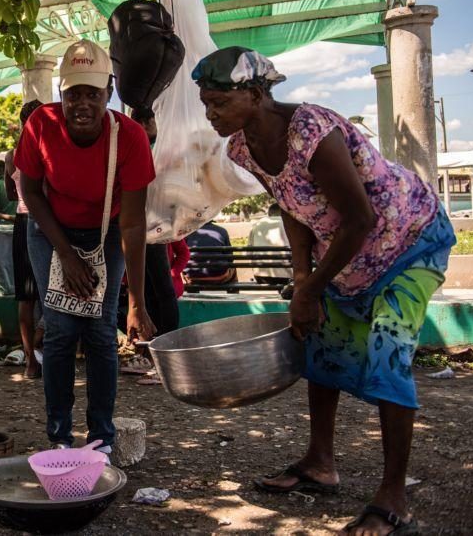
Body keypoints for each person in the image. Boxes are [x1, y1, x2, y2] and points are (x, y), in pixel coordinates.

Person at [195, 46, 455, 536]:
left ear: (254, 94)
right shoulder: (241, 148)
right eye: (206, 104)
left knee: (386, 355)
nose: (211, 114)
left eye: (219, 103)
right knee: (322, 347)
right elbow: (290, 205)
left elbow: (361, 218)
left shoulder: (313, 130)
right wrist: (301, 279)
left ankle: (394, 496)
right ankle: (320, 462)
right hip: (347, 256)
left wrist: (311, 288)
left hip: (407, 242)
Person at [15, 40, 157, 455]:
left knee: (98, 332)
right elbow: (31, 191)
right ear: (62, 92)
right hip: (49, 231)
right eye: (73, 93)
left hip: (106, 232)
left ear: (108, 92)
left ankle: (101, 440)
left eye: (92, 94)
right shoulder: (41, 124)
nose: (81, 104)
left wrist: (137, 302)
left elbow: (132, 223)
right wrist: (65, 252)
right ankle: (59, 437)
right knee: (59, 331)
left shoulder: (129, 137)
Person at [129, 106, 180, 337]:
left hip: (152, 224)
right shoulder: (151, 147)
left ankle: (164, 339)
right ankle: (153, 340)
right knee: (150, 288)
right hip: (146, 224)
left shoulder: (159, 148)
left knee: (158, 287)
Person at [5, 99, 44, 379]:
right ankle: (42, 350)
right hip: (46, 222)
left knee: (26, 297)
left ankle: (31, 360)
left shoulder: (12, 155)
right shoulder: (50, 150)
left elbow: (10, 194)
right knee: (55, 293)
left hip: (22, 221)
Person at [248, 203, 293, 284]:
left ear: (269, 213)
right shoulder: (289, 223)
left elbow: (249, 252)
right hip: (286, 277)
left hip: (261, 277)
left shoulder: (257, 224)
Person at [183, 220, 237, 285]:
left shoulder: (187, 232)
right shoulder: (222, 231)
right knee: (233, 268)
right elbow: (230, 258)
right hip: (219, 276)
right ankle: (233, 291)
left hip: (192, 276)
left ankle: (192, 292)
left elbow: (182, 255)